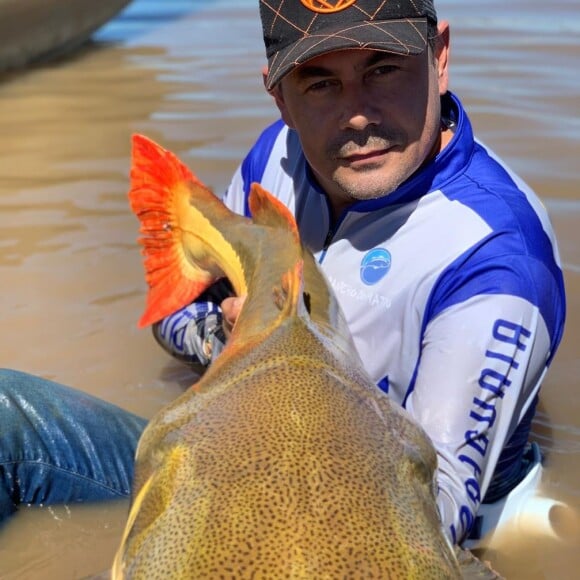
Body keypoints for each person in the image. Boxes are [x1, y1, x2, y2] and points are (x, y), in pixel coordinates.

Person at [0, 0, 565, 547]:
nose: (358, 114)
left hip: (364, 512)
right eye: (320, 83)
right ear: (280, 99)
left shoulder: (495, 258)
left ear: (439, 57)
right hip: (227, 456)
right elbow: (178, 313)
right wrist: (223, 337)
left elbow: (431, 519)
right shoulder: (280, 156)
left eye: (383, 68)